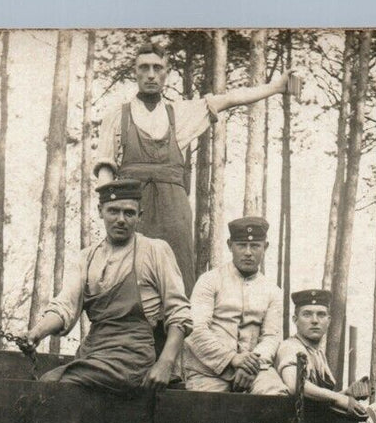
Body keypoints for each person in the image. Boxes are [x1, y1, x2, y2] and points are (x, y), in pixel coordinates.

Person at [94, 40, 300, 289]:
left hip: (174, 209)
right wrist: (111, 210)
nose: (151, 74)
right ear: (134, 72)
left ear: (165, 73)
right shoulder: (117, 116)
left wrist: (275, 87)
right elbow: (105, 168)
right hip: (133, 209)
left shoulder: (179, 113)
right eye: (144, 67)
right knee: (131, 275)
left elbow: (230, 99)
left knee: (177, 274)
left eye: (157, 68)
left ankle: (180, 326)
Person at [25, 179, 192, 393]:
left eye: (129, 213)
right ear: (100, 211)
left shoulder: (155, 251)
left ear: (139, 216)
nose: (121, 220)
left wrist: (165, 363)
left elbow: (179, 313)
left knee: (54, 384)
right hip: (93, 353)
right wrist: (36, 333)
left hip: (133, 357)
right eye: (113, 211)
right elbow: (64, 306)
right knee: (53, 383)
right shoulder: (86, 258)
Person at [182, 217, 286, 394]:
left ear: (265, 247)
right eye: (241, 245)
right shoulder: (210, 281)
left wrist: (250, 366)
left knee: (275, 397)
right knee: (208, 410)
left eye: (255, 246)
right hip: (209, 370)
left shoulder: (273, 291)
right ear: (230, 245)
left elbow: (271, 337)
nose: (248, 252)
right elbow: (197, 329)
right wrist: (232, 359)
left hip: (255, 370)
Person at [252, 289, 367, 416]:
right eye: (307, 314)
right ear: (295, 320)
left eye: (321, 315)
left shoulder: (317, 353)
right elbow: (295, 385)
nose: (315, 320)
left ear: (328, 321)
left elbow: (312, 401)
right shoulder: (291, 347)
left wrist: (346, 393)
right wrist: (340, 398)